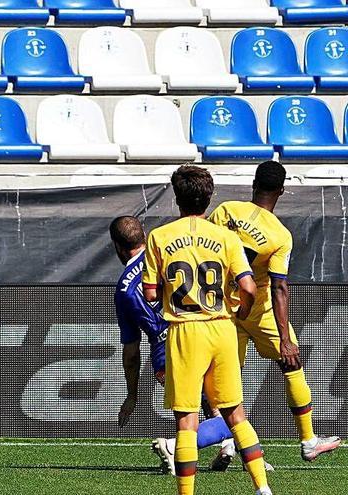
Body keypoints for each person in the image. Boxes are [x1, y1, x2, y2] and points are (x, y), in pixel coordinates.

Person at [142, 165, 272, 495]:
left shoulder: (159, 236)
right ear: (209, 197)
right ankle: (263, 488)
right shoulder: (227, 237)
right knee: (236, 416)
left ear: (177, 198)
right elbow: (249, 287)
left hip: (186, 332)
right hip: (222, 328)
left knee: (186, 421)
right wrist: (239, 313)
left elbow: (151, 294)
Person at [208, 160, 341, 462]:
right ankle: (308, 441)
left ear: (253, 184)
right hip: (259, 309)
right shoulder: (280, 235)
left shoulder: (226, 210)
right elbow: (280, 287)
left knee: (224, 378)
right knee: (291, 365)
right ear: (281, 190)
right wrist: (285, 337)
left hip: (223, 308)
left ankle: (226, 442)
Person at [110, 216, 237, 475]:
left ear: (118, 247)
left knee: (213, 406)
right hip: (196, 335)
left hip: (165, 357)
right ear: (144, 236)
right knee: (230, 414)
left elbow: (131, 352)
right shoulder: (168, 255)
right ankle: (177, 446)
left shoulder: (123, 289)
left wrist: (132, 394)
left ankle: (231, 449)